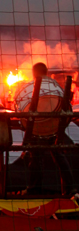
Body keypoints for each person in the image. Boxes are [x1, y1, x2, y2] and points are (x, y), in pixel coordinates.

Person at [22, 62, 77, 197]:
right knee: (59, 157)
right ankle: (70, 188)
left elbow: (26, 109)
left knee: (36, 158)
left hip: (38, 129)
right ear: (46, 72)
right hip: (54, 127)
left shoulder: (33, 87)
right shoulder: (55, 87)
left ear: (34, 73)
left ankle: (35, 189)